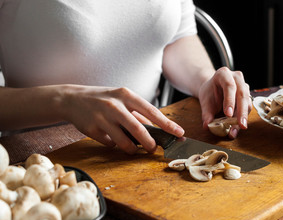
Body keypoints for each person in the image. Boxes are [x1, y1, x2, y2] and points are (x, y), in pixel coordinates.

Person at [0, 0, 252, 154]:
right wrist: (64, 100)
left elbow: (176, 37)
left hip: (141, 154)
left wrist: (203, 79)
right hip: (40, 166)